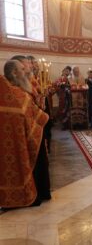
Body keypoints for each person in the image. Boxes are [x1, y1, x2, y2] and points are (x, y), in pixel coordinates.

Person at [0, 60, 50, 208]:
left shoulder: (11, 91)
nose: (26, 71)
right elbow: (28, 114)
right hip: (17, 139)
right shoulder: (15, 93)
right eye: (23, 69)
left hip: (14, 139)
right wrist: (43, 118)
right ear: (14, 73)